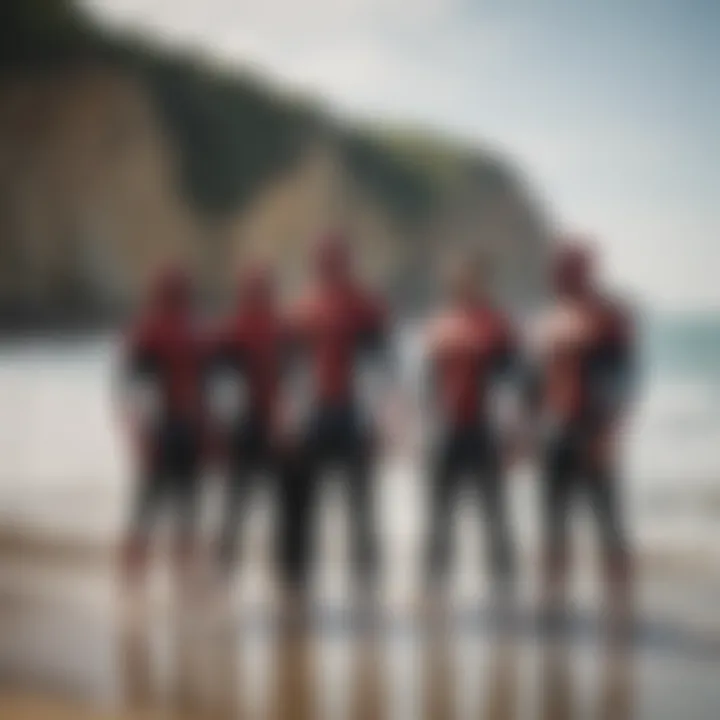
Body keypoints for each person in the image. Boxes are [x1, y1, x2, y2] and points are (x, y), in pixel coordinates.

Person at [280, 232, 391, 592]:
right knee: (299, 504)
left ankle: (367, 584)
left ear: (347, 261)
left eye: (336, 257)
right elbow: (290, 371)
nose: (330, 264)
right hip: (312, 415)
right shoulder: (301, 309)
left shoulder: (366, 308)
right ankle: (295, 587)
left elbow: (382, 367)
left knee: (360, 504)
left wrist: (381, 419)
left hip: (352, 414)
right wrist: (288, 418)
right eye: (324, 258)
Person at [528, 240, 635, 610]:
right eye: (557, 268)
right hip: (555, 432)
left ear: (583, 271)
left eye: (566, 267)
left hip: (591, 430)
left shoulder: (608, 317)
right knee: (553, 519)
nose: (557, 275)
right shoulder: (550, 319)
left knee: (607, 520)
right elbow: (537, 384)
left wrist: (608, 431)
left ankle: (620, 602)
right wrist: (525, 431)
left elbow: (623, 378)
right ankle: (552, 601)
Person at [423, 251, 518, 591]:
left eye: (472, 279)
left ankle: (506, 590)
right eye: (460, 279)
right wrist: (422, 427)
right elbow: (427, 381)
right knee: (439, 516)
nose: (465, 284)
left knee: (495, 515)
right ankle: (435, 590)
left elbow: (512, 381)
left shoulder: (497, 324)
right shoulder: (440, 324)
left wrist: (513, 434)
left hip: (484, 430)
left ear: (482, 282)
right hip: (446, 430)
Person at [119, 263, 208, 585]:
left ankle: (181, 577)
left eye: (181, 289)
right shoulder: (148, 331)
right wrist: (137, 430)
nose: (180, 295)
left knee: (186, 507)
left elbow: (207, 387)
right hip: (162, 427)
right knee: (148, 506)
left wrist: (210, 431)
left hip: (188, 429)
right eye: (175, 289)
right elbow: (132, 386)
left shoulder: (194, 330)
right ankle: (133, 576)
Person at [208, 263, 288, 576]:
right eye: (253, 290)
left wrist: (290, 423)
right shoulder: (230, 333)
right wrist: (218, 430)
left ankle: (282, 582)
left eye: (263, 289)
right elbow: (217, 388)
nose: (259, 296)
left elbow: (296, 380)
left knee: (280, 511)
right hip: (244, 429)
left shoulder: (284, 331)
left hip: (276, 429)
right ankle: (223, 576)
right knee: (234, 509)